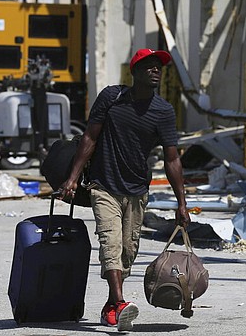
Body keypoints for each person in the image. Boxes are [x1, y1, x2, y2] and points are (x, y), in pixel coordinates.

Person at [59, 48, 191, 332]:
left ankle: (111, 305)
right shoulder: (112, 97)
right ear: (135, 72)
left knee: (127, 252)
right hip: (103, 184)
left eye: (159, 67)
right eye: (149, 66)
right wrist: (72, 178)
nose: (156, 70)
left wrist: (182, 203)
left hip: (136, 189)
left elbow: (172, 159)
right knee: (111, 243)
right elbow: (90, 137)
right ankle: (120, 304)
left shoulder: (163, 111)